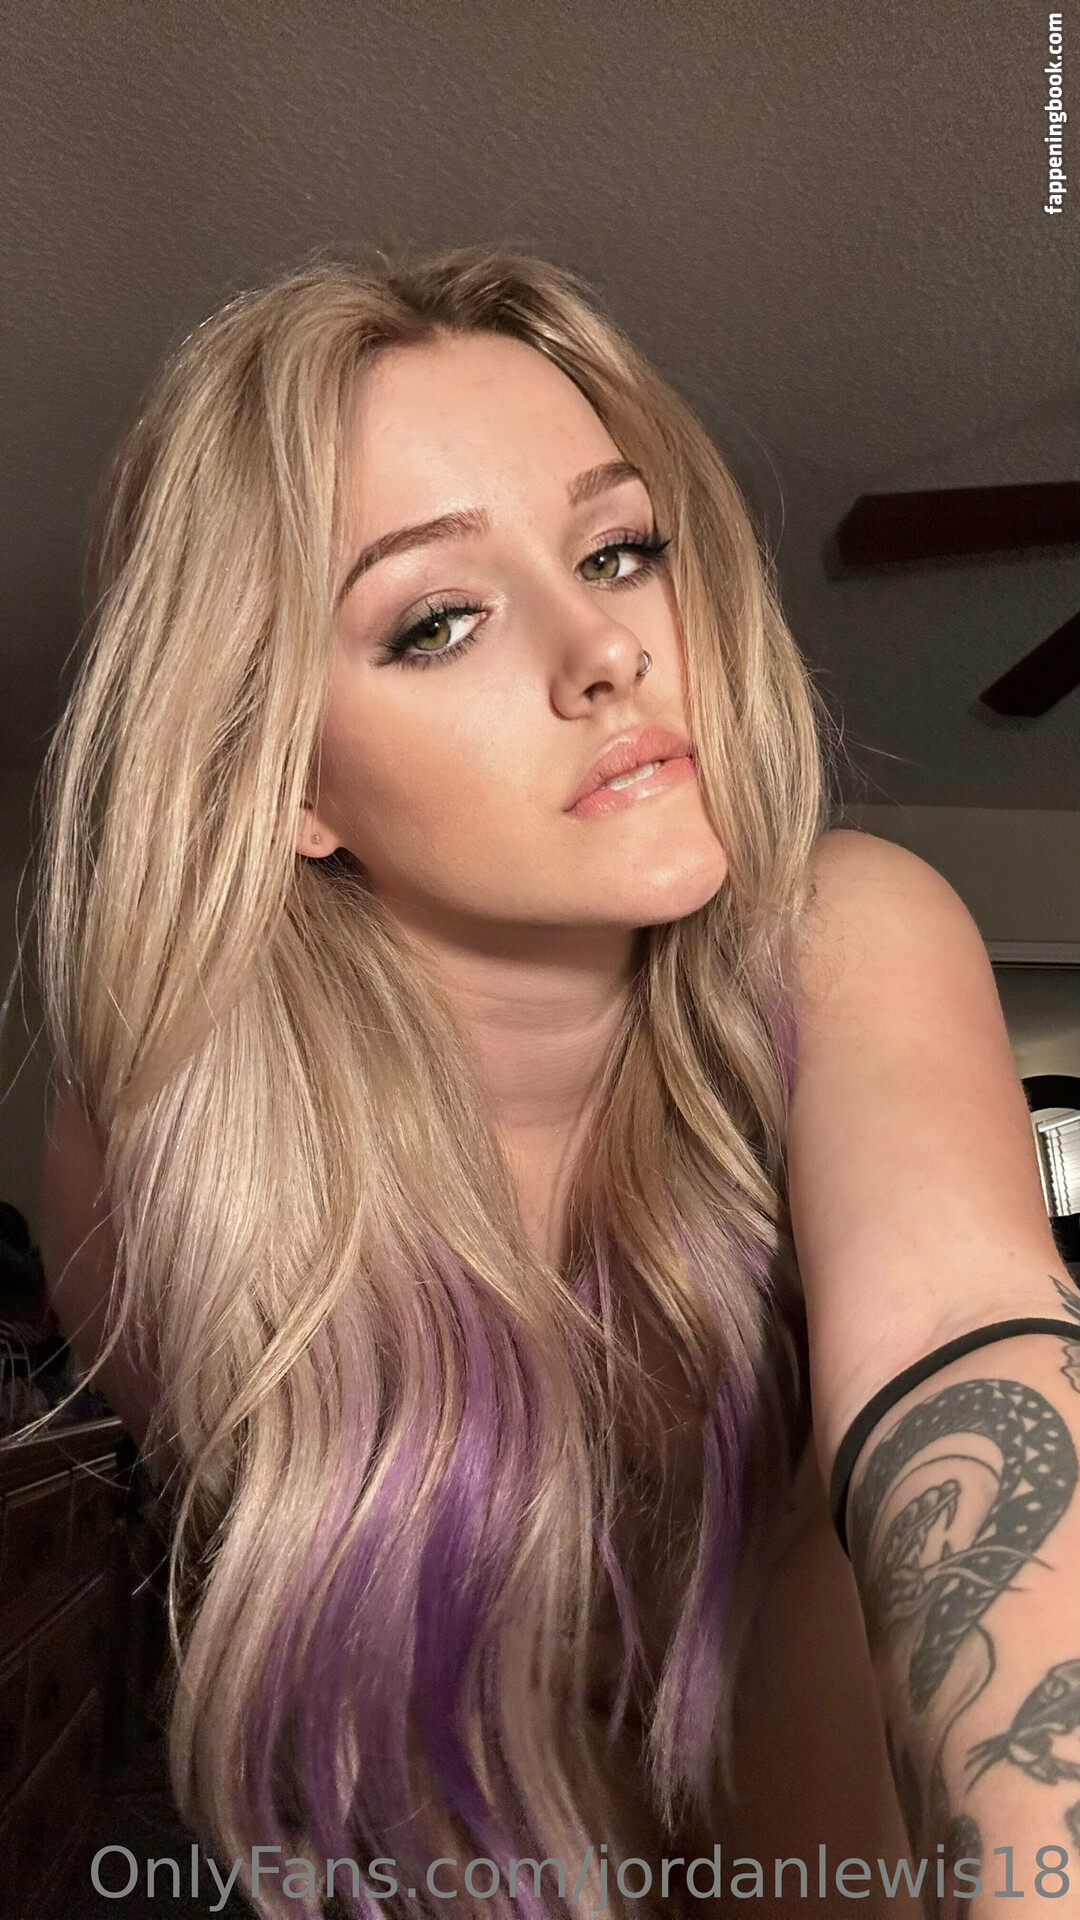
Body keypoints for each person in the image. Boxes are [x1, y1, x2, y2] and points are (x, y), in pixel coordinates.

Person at [32, 247, 1080, 1920]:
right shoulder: (154, 1149)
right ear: (285, 780)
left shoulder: (847, 937)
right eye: (436, 619)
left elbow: (966, 1340)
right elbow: (286, 1566)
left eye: (619, 549)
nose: (606, 648)